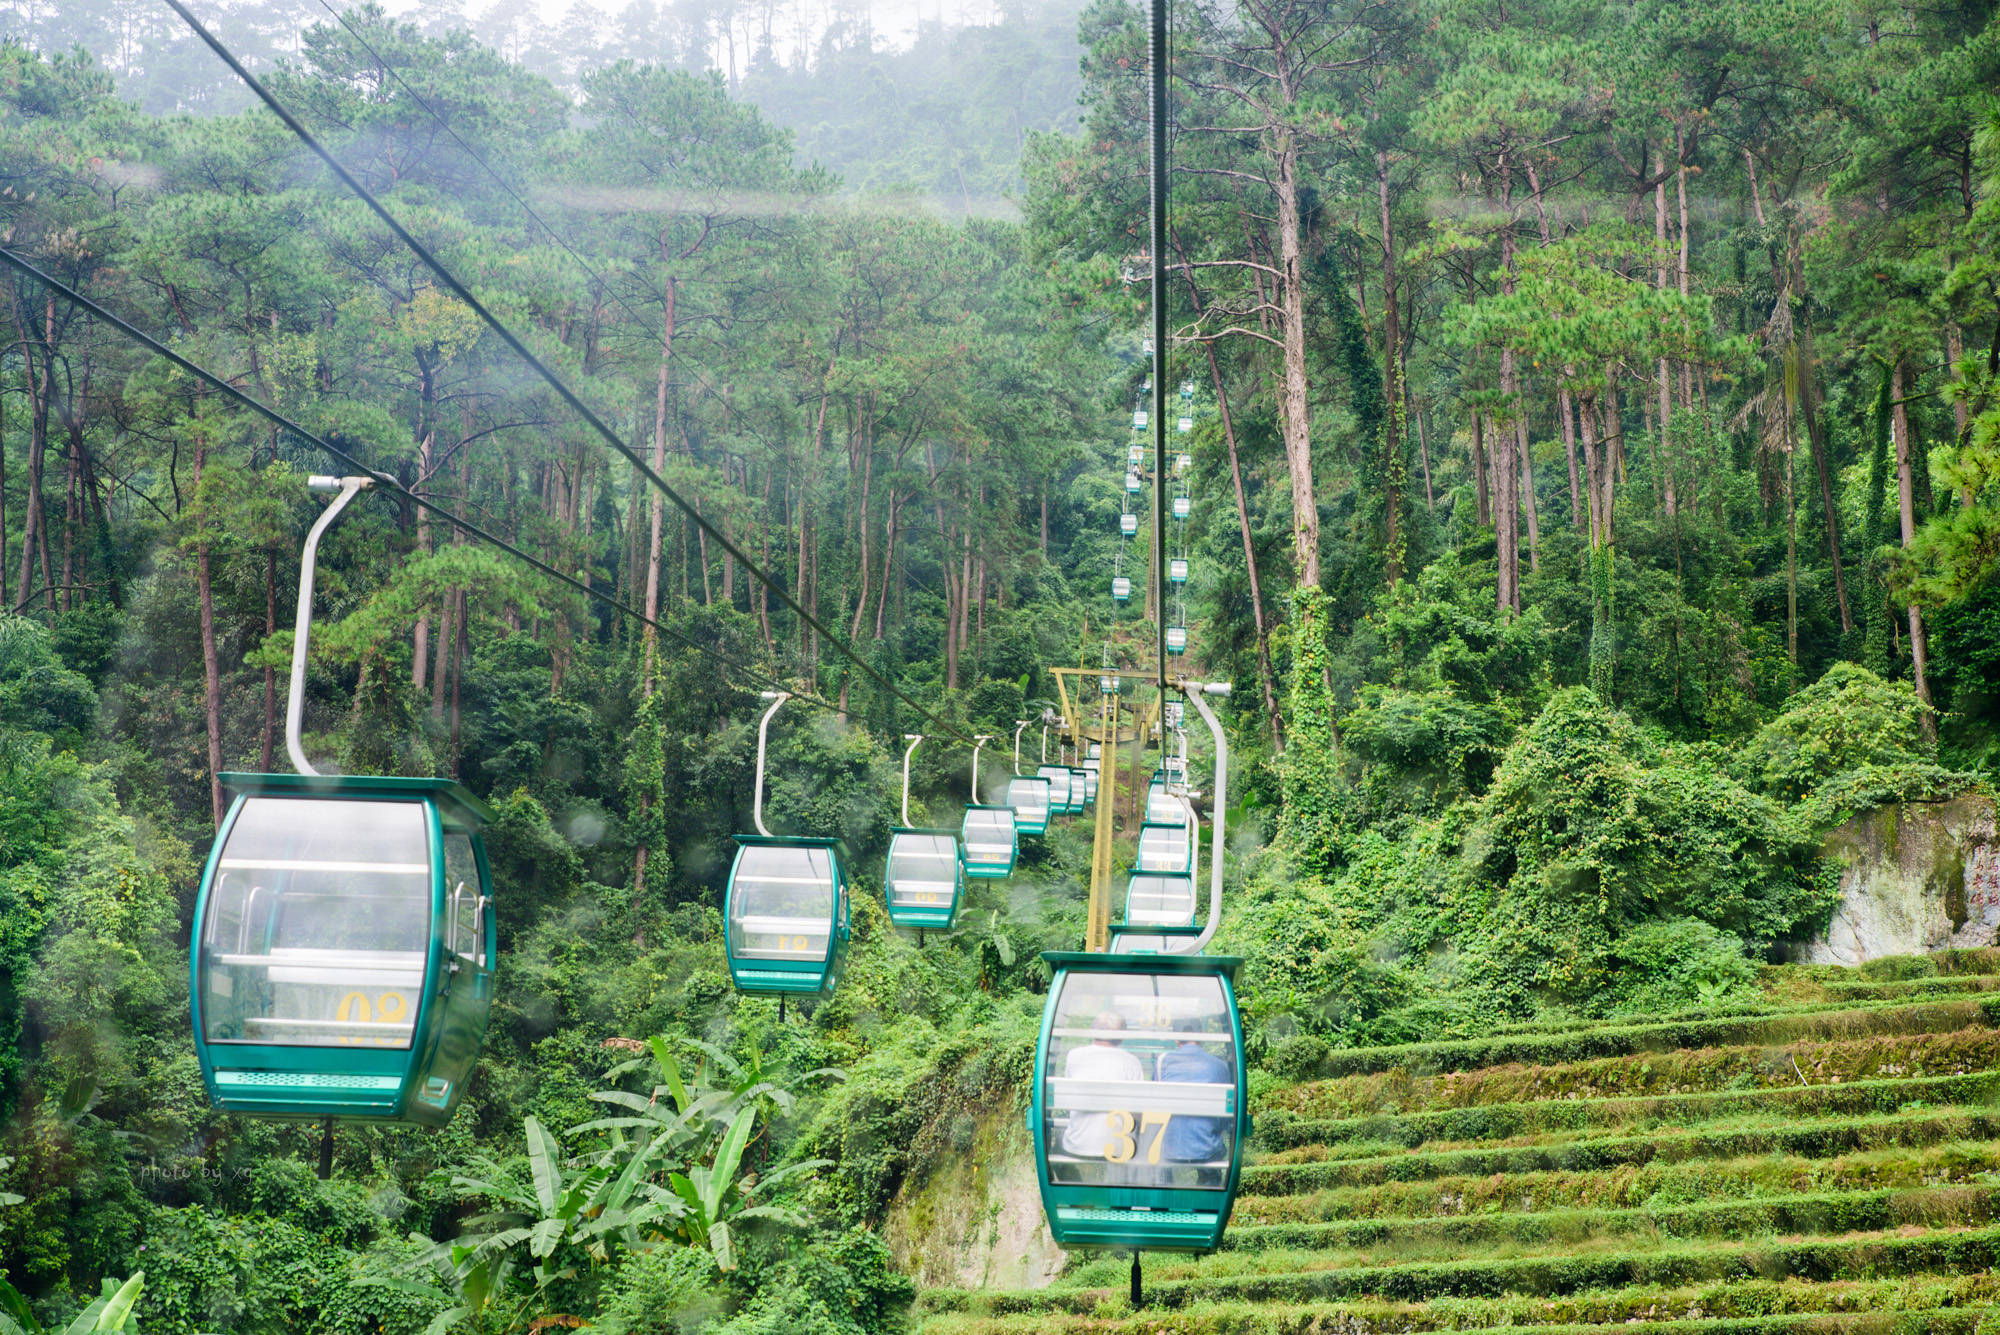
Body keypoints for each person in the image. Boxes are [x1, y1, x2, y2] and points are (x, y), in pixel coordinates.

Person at [1060, 1011, 1145, 1162]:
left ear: (1093, 1032)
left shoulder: (1074, 1056)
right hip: (1118, 1150)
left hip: (1076, 1145)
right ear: (1120, 1038)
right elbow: (1138, 1110)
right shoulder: (1131, 1062)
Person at [1156, 1015, 1231, 1180]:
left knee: (1161, 1172)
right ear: (1201, 1036)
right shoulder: (1219, 1066)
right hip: (1207, 1146)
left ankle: (1163, 1202)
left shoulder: (1163, 1063)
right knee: (1211, 1177)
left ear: (1176, 1040)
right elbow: (1227, 1115)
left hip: (1169, 1145)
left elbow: (1154, 1105)